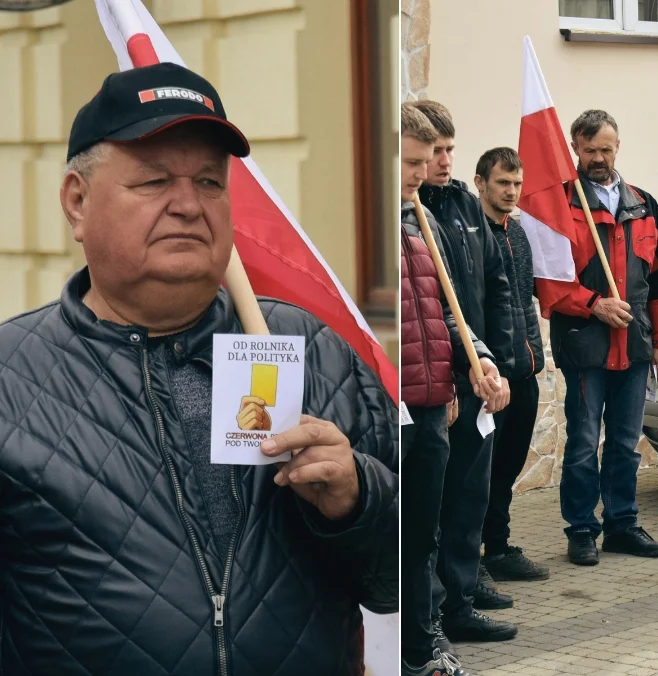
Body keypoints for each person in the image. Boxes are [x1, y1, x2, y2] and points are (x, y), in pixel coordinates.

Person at [0, 62, 397, 674]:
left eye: (210, 182)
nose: (188, 204)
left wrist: (359, 499)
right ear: (77, 203)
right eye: (154, 180)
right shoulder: (10, 378)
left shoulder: (312, 348)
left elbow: (402, 578)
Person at [536, 109, 658, 566]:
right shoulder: (560, 205)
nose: (598, 158)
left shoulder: (642, 202)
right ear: (575, 148)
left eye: (606, 149)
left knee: (624, 441)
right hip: (585, 343)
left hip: (635, 344)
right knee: (582, 440)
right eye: (589, 149)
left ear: (618, 147)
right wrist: (593, 304)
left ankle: (622, 523)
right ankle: (581, 528)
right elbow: (549, 281)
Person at [401, 104, 504, 676]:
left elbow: (449, 309)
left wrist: (477, 361)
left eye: (426, 160)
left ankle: (422, 650)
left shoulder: (422, 222)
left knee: (422, 540)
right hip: (382, 414)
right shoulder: (362, 221)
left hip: (430, 407)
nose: (421, 172)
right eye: (411, 161)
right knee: (384, 544)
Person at [474, 148, 550, 582]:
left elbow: (524, 301)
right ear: (481, 182)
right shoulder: (469, 234)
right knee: (477, 475)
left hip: (525, 373)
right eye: (503, 183)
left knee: (507, 468)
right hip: (488, 377)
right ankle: (471, 559)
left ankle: (498, 548)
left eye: (517, 184)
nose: (511, 192)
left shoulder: (518, 233)